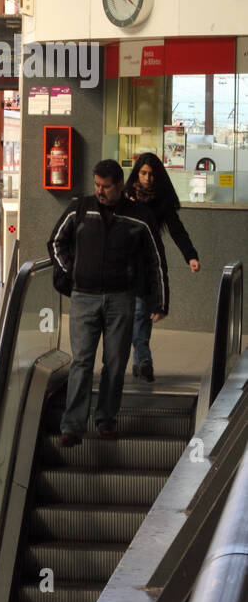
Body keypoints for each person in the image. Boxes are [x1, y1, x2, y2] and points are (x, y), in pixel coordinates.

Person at [48, 159, 167, 447]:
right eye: (97, 185)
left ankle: (106, 420)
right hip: (84, 298)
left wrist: (159, 301)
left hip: (122, 299)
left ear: (119, 186)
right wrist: (72, 271)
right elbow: (55, 243)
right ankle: (72, 426)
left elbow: (156, 261)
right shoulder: (79, 209)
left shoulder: (139, 218)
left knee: (115, 362)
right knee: (82, 362)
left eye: (106, 187)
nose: (100, 191)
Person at [124, 152, 201, 382]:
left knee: (143, 314)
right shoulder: (126, 197)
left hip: (149, 261)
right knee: (137, 314)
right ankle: (143, 361)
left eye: (151, 174)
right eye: (144, 173)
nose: (147, 178)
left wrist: (191, 256)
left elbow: (177, 229)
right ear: (137, 173)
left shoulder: (162, 201)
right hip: (125, 261)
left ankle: (141, 362)